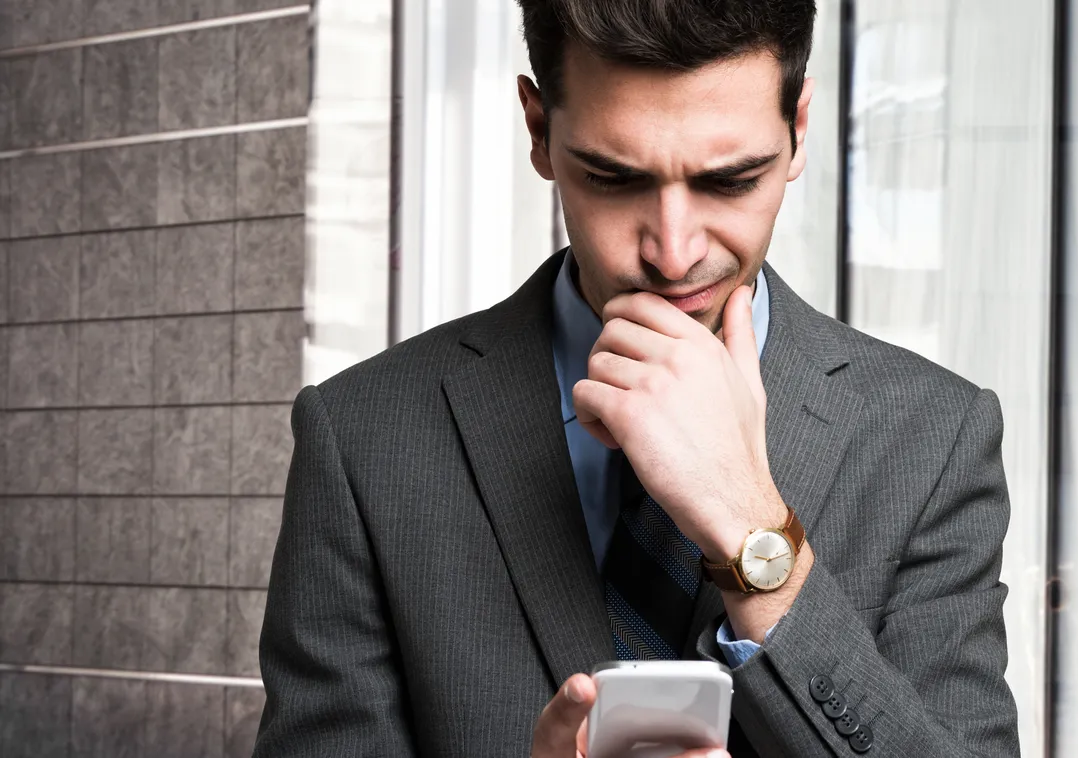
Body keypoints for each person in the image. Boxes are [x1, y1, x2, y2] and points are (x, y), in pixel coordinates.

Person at [252, 0, 1020, 755]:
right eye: (615, 179)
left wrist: (753, 534)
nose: (674, 251)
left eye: (729, 180)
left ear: (799, 129)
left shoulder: (933, 439)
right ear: (539, 129)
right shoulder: (363, 436)